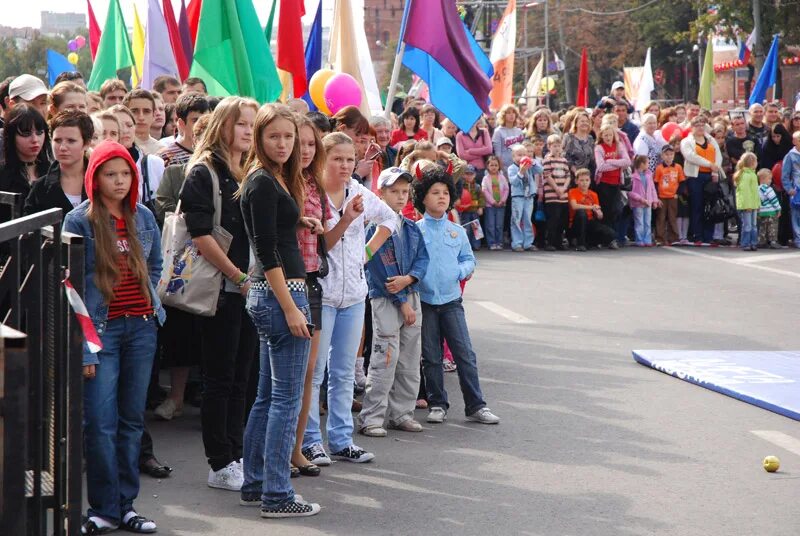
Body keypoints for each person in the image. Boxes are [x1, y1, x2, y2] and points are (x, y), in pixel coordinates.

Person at [63, 140, 163, 535]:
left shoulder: (144, 216)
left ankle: (126, 506)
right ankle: (103, 507)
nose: (119, 181)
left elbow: (155, 265)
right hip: (101, 334)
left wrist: (149, 300)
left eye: (126, 174)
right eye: (111, 174)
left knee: (131, 421)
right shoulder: (79, 221)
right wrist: (86, 346)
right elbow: (70, 287)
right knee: (100, 423)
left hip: (141, 328)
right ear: (95, 178)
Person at [238, 104, 321, 517]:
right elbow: (265, 250)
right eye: (275, 136)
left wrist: (299, 222)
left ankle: (256, 485)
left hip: (270, 293)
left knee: (268, 397)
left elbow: (269, 233)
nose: (284, 144)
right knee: (285, 400)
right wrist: (292, 309)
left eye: (289, 136)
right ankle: (276, 494)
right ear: (259, 138)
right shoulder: (262, 182)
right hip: (280, 294)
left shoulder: (266, 180)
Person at [179, 97, 259, 490]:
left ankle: (238, 453)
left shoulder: (251, 169)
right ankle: (220, 461)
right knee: (220, 378)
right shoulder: (203, 172)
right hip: (222, 291)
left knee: (244, 377)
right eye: (241, 123)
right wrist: (238, 276)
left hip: (251, 289)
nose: (247, 130)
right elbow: (200, 236)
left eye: (251, 124)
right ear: (223, 126)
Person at [301, 132, 395, 466]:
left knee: (343, 372)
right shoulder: (310, 194)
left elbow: (390, 219)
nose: (344, 165)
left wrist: (366, 253)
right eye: (337, 159)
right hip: (321, 295)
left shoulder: (359, 191)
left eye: (350, 159)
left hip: (354, 294)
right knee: (314, 372)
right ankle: (311, 441)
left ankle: (342, 440)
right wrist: (347, 219)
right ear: (322, 160)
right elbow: (322, 245)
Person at [413, 166, 499, 425]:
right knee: (430, 356)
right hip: (425, 302)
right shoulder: (415, 230)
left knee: (464, 353)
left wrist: (459, 271)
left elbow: (469, 260)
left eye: (445, 192)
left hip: (451, 302)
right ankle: (437, 403)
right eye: (434, 192)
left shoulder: (457, 232)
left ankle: (476, 405)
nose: (441, 197)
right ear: (422, 198)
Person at [357, 166, 429, 437]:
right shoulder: (375, 229)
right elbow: (378, 268)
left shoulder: (410, 227)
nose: (400, 197)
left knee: (410, 359)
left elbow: (423, 258)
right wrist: (401, 299)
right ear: (381, 193)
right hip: (387, 299)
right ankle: (372, 417)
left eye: (404, 192)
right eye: (393, 191)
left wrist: (410, 279)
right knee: (385, 357)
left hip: (411, 295)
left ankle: (402, 413)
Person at [24, 111, 90, 215]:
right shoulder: (40, 188)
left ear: (86, 143)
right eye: (57, 140)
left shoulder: (100, 180)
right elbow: (29, 228)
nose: (63, 147)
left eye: (71, 141)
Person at [107, 105, 164, 214]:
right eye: (119, 126)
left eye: (129, 125)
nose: (125, 130)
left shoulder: (154, 163)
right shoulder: (99, 165)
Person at [0, 104, 51, 219]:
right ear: (11, 136)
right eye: (26, 133)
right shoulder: (3, 176)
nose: (35, 140)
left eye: (39, 132)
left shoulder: (53, 172)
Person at [680, 117, 722, 243]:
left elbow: (718, 155)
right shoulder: (686, 141)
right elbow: (691, 156)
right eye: (697, 124)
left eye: (702, 125)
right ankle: (697, 235)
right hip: (695, 177)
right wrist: (709, 164)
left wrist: (715, 171)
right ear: (691, 127)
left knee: (710, 206)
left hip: (710, 176)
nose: (700, 127)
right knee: (696, 206)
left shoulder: (711, 139)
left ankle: (708, 236)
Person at [568, 168, 617, 251]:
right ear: (576, 181)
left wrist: (599, 213)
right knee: (581, 213)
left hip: (589, 222)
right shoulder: (572, 191)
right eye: (581, 180)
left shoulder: (593, 194)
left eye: (587, 180)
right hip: (575, 223)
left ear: (590, 181)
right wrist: (591, 207)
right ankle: (580, 244)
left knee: (611, 233)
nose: (584, 183)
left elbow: (598, 211)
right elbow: (574, 206)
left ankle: (592, 242)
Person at [158, 93, 210, 167]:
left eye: (206, 119)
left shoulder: (215, 154)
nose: (202, 124)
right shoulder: (166, 157)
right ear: (181, 123)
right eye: (195, 120)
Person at [507, 144, 542, 251]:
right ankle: (517, 243)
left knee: (527, 219)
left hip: (529, 197)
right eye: (519, 155)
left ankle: (528, 243)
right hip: (518, 197)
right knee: (516, 220)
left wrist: (533, 162)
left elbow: (540, 170)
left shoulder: (529, 167)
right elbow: (513, 182)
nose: (521, 157)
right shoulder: (512, 168)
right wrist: (521, 172)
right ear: (513, 157)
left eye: (524, 154)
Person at [542, 134, 572, 251]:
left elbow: (568, 176)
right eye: (554, 146)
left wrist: (563, 188)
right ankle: (550, 242)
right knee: (553, 220)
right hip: (552, 195)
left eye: (559, 146)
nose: (557, 148)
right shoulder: (547, 160)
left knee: (562, 220)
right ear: (549, 146)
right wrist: (557, 189)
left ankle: (559, 242)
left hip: (563, 195)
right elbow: (547, 176)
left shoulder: (564, 160)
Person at [653, 145, 686, 245]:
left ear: (674, 155)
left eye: (671, 154)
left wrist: (678, 193)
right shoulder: (659, 168)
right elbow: (656, 183)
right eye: (666, 154)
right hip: (662, 197)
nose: (669, 157)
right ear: (662, 156)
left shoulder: (678, 167)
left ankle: (674, 238)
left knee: (672, 217)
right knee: (661, 217)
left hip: (673, 197)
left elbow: (682, 182)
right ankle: (660, 238)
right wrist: (657, 196)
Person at [628, 155, 660, 246]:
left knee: (647, 222)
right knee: (639, 222)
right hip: (638, 204)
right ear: (642, 164)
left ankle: (647, 239)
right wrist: (641, 199)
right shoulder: (633, 177)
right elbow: (630, 192)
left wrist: (654, 200)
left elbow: (652, 189)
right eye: (647, 163)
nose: (648, 165)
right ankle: (639, 239)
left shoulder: (648, 175)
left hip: (648, 203)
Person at [480, 154, 508, 250]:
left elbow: (506, 189)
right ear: (487, 166)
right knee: (490, 225)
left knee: (499, 225)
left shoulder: (502, 177)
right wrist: (492, 201)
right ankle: (491, 243)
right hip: (490, 206)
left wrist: (502, 200)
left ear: (499, 166)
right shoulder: (485, 178)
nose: (494, 167)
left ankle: (499, 242)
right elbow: (484, 190)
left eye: (496, 165)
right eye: (491, 165)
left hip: (501, 205)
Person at [733, 152, 760, 251]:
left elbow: (755, 192)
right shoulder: (746, 175)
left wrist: (757, 204)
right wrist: (747, 205)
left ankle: (753, 243)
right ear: (752, 162)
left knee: (753, 225)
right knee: (747, 225)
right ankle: (746, 243)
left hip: (753, 204)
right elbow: (745, 192)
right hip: (747, 205)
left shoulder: (752, 174)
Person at [123, 90, 162, 156]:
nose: (141, 117)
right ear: (125, 114)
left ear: (154, 115)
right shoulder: (120, 147)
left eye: (146, 111)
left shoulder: (162, 150)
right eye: (134, 111)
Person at [455, 164, 485, 250]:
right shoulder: (460, 186)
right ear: (463, 175)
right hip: (464, 211)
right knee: (465, 229)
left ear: (474, 175)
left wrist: (481, 207)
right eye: (467, 174)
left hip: (474, 211)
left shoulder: (477, 186)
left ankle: (476, 245)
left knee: (476, 229)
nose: (469, 176)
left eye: (471, 174)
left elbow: (481, 197)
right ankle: (466, 246)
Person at [563, 110, 596, 178]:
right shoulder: (569, 137)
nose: (585, 123)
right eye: (582, 121)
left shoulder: (590, 138)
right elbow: (566, 157)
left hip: (587, 176)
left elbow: (592, 159)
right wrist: (576, 172)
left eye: (587, 121)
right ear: (576, 123)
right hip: (572, 176)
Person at [781, 131, 800, 247]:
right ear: (794, 141)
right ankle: (798, 239)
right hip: (796, 191)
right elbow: (785, 175)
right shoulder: (790, 156)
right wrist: (789, 189)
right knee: (796, 215)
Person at [493, 104, 525, 171]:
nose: (511, 115)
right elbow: (497, 153)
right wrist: (502, 169)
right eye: (508, 113)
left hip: (519, 167)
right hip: (505, 167)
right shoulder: (498, 131)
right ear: (503, 116)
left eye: (513, 112)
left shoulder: (519, 131)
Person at [757, 168, 781, 249]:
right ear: (763, 179)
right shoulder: (768, 189)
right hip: (771, 212)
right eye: (769, 179)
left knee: (762, 227)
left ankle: (762, 241)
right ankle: (773, 241)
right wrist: (778, 208)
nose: (770, 181)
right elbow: (773, 199)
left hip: (761, 212)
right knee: (772, 227)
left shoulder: (757, 189)